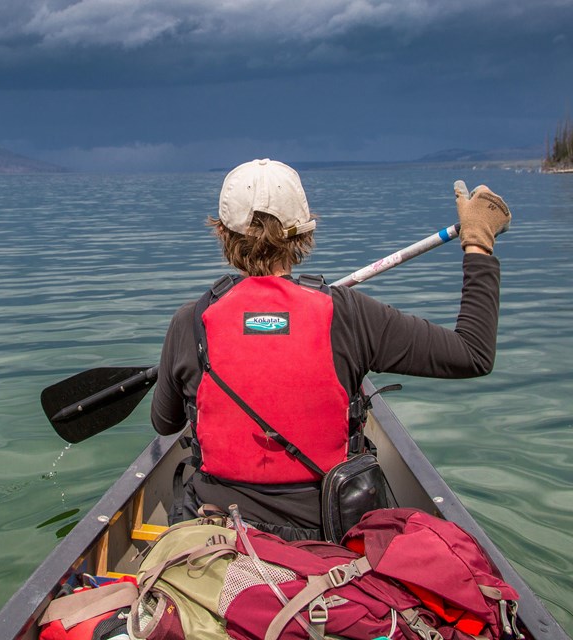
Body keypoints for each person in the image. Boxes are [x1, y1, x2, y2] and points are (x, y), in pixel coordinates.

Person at [151, 158, 511, 540]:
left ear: (223, 233)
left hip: (216, 532)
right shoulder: (350, 314)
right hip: (329, 531)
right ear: (304, 231)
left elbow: (165, 424)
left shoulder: (190, 322)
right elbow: (472, 352)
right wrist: (478, 243)